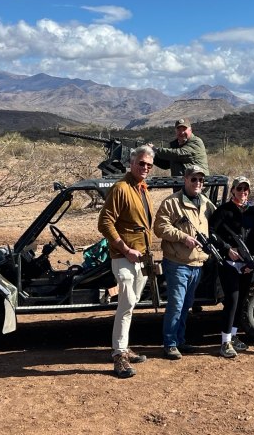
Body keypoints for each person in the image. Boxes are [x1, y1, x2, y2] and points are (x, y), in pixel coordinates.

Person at [97, 145, 155, 377]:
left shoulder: (142, 190)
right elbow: (105, 222)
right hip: (124, 256)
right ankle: (119, 355)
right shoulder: (121, 188)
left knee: (130, 305)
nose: (145, 168)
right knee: (127, 302)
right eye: (141, 163)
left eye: (149, 165)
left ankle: (123, 347)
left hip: (140, 256)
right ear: (131, 163)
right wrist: (125, 248)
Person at [153, 165, 215, 360]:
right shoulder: (172, 203)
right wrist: (182, 237)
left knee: (187, 304)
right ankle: (170, 343)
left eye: (201, 180)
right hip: (177, 263)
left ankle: (180, 340)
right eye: (193, 179)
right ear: (185, 179)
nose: (197, 183)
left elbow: (218, 221)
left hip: (198, 263)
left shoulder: (206, 203)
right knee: (176, 304)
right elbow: (160, 227)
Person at [209, 176, 254, 358]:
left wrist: (251, 261)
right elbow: (211, 232)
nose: (242, 192)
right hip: (229, 264)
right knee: (231, 301)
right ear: (233, 190)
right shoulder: (223, 211)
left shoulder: (253, 212)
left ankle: (233, 337)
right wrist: (227, 250)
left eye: (245, 189)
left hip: (246, 265)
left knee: (241, 302)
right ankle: (225, 342)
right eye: (239, 189)